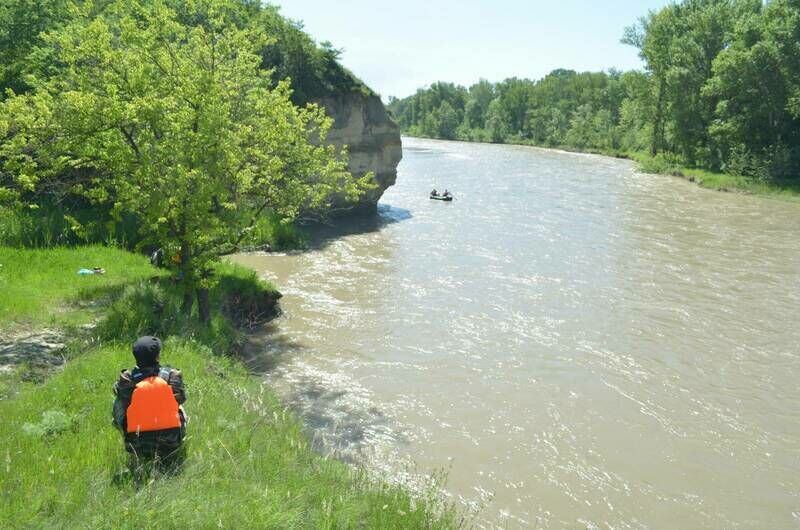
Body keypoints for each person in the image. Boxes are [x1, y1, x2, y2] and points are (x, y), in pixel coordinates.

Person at [112, 336, 186, 462]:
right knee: (178, 406)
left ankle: (128, 437)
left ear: (136, 357)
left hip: (135, 445)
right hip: (171, 443)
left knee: (119, 403)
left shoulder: (128, 380)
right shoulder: (172, 376)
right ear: (157, 356)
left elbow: (118, 391)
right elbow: (182, 398)